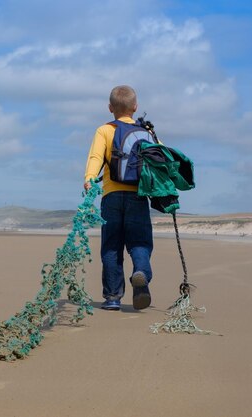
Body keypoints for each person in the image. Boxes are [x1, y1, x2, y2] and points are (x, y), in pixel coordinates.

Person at [84, 85, 152, 311]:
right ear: (135, 107)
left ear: (110, 107)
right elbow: (160, 159)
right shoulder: (147, 132)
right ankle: (140, 273)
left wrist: (90, 178)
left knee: (112, 247)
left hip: (111, 197)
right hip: (138, 197)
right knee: (139, 242)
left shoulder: (104, 130)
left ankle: (113, 297)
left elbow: (95, 157)